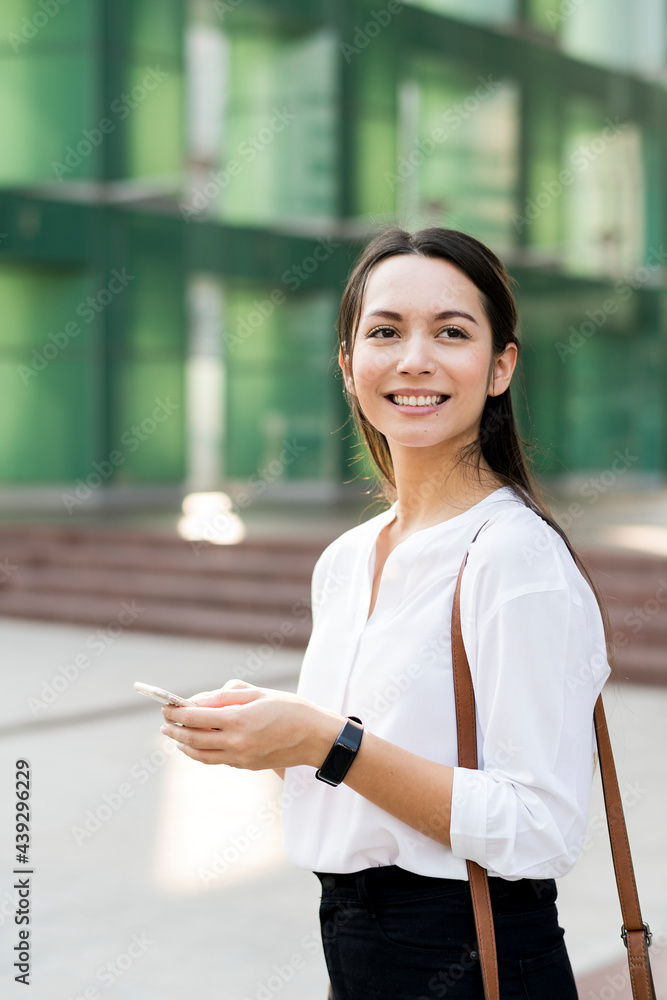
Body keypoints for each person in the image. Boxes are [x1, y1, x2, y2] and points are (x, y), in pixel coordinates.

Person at [159, 227, 612, 999]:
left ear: (500, 366)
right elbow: (370, 768)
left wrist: (321, 739)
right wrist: (275, 735)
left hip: (474, 951)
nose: (413, 359)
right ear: (347, 364)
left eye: (451, 332)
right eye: (384, 332)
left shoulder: (513, 559)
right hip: (353, 942)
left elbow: (537, 827)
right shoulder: (346, 558)